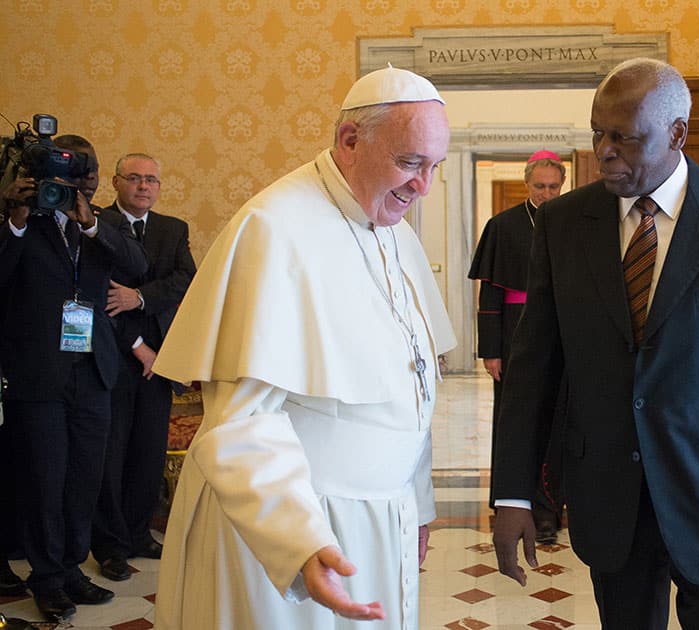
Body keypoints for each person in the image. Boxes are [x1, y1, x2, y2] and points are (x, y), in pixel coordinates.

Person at [491, 58, 699, 629]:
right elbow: (533, 370)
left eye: (624, 137)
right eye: (598, 133)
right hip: (612, 498)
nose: (605, 150)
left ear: (677, 133)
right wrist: (514, 494)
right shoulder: (564, 225)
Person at [150, 66, 455, 630]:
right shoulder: (274, 228)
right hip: (290, 530)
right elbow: (238, 425)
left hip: (379, 518)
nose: (424, 188)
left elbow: (413, 386)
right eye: (410, 163)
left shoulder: (395, 232)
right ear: (350, 140)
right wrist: (301, 545)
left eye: (436, 167)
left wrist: (417, 506)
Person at [0, 135, 146, 622]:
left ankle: (71, 569)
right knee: (46, 478)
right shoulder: (24, 218)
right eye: (70, 171)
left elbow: (137, 266)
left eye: (91, 170)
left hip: (94, 370)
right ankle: (45, 578)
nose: (83, 179)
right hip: (38, 373)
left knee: (85, 478)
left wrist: (90, 227)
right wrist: (16, 221)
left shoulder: (99, 222)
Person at [90, 153, 196, 582]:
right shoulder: (97, 226)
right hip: (113, 359)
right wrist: (137, 345)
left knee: (147, 456)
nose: (143, 186)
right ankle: (110, 546)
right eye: (134, 178)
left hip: (160, 362)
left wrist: (141, 297)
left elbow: (186, 281)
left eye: (151, 179)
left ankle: (137, 534)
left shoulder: (173, 230)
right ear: (115, 182)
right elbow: (99, 296)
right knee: (110, 459)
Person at [467, 149, 566, 543]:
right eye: (539, 186)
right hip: (513, 335)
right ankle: (512, 499)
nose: (546, 193)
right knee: (514, 422)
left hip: (560, 335)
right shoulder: (503, 225)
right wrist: (491, 350)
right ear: (527, 184)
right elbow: (489, 294)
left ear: (563, 185)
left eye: (553, 186)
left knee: (556, 423)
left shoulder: (573, 223)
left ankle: (548, 508)